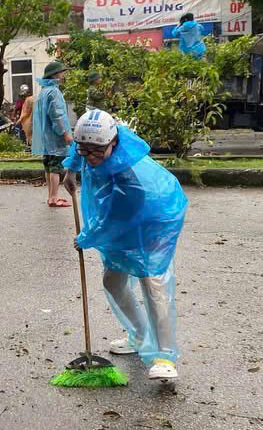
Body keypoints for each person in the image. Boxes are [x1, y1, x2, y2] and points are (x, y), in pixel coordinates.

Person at [62, 110, 187, 381]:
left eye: (96, 151)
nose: (91, 157)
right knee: (113, 283)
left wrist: (87, 237)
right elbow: (77, 147)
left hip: (152, 222)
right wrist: (71, 169)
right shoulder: (89, 146)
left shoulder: (128, 178)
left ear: (113, 143)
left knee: (153, 286)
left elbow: (115, 217)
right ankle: (140, 338)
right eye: (86, 150)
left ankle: (164, 357)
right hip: (119, 224)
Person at [32, 60, 74, 207]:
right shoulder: (54, 92)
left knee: (48, 167)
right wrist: (65, 133)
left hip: (46, 138)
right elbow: (58, 115)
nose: (63, 75)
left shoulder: (43, 92)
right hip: (55, 138)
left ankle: (50, 196)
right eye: (62, 72)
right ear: (55, 74)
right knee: (56, 168)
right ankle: (55, 198)